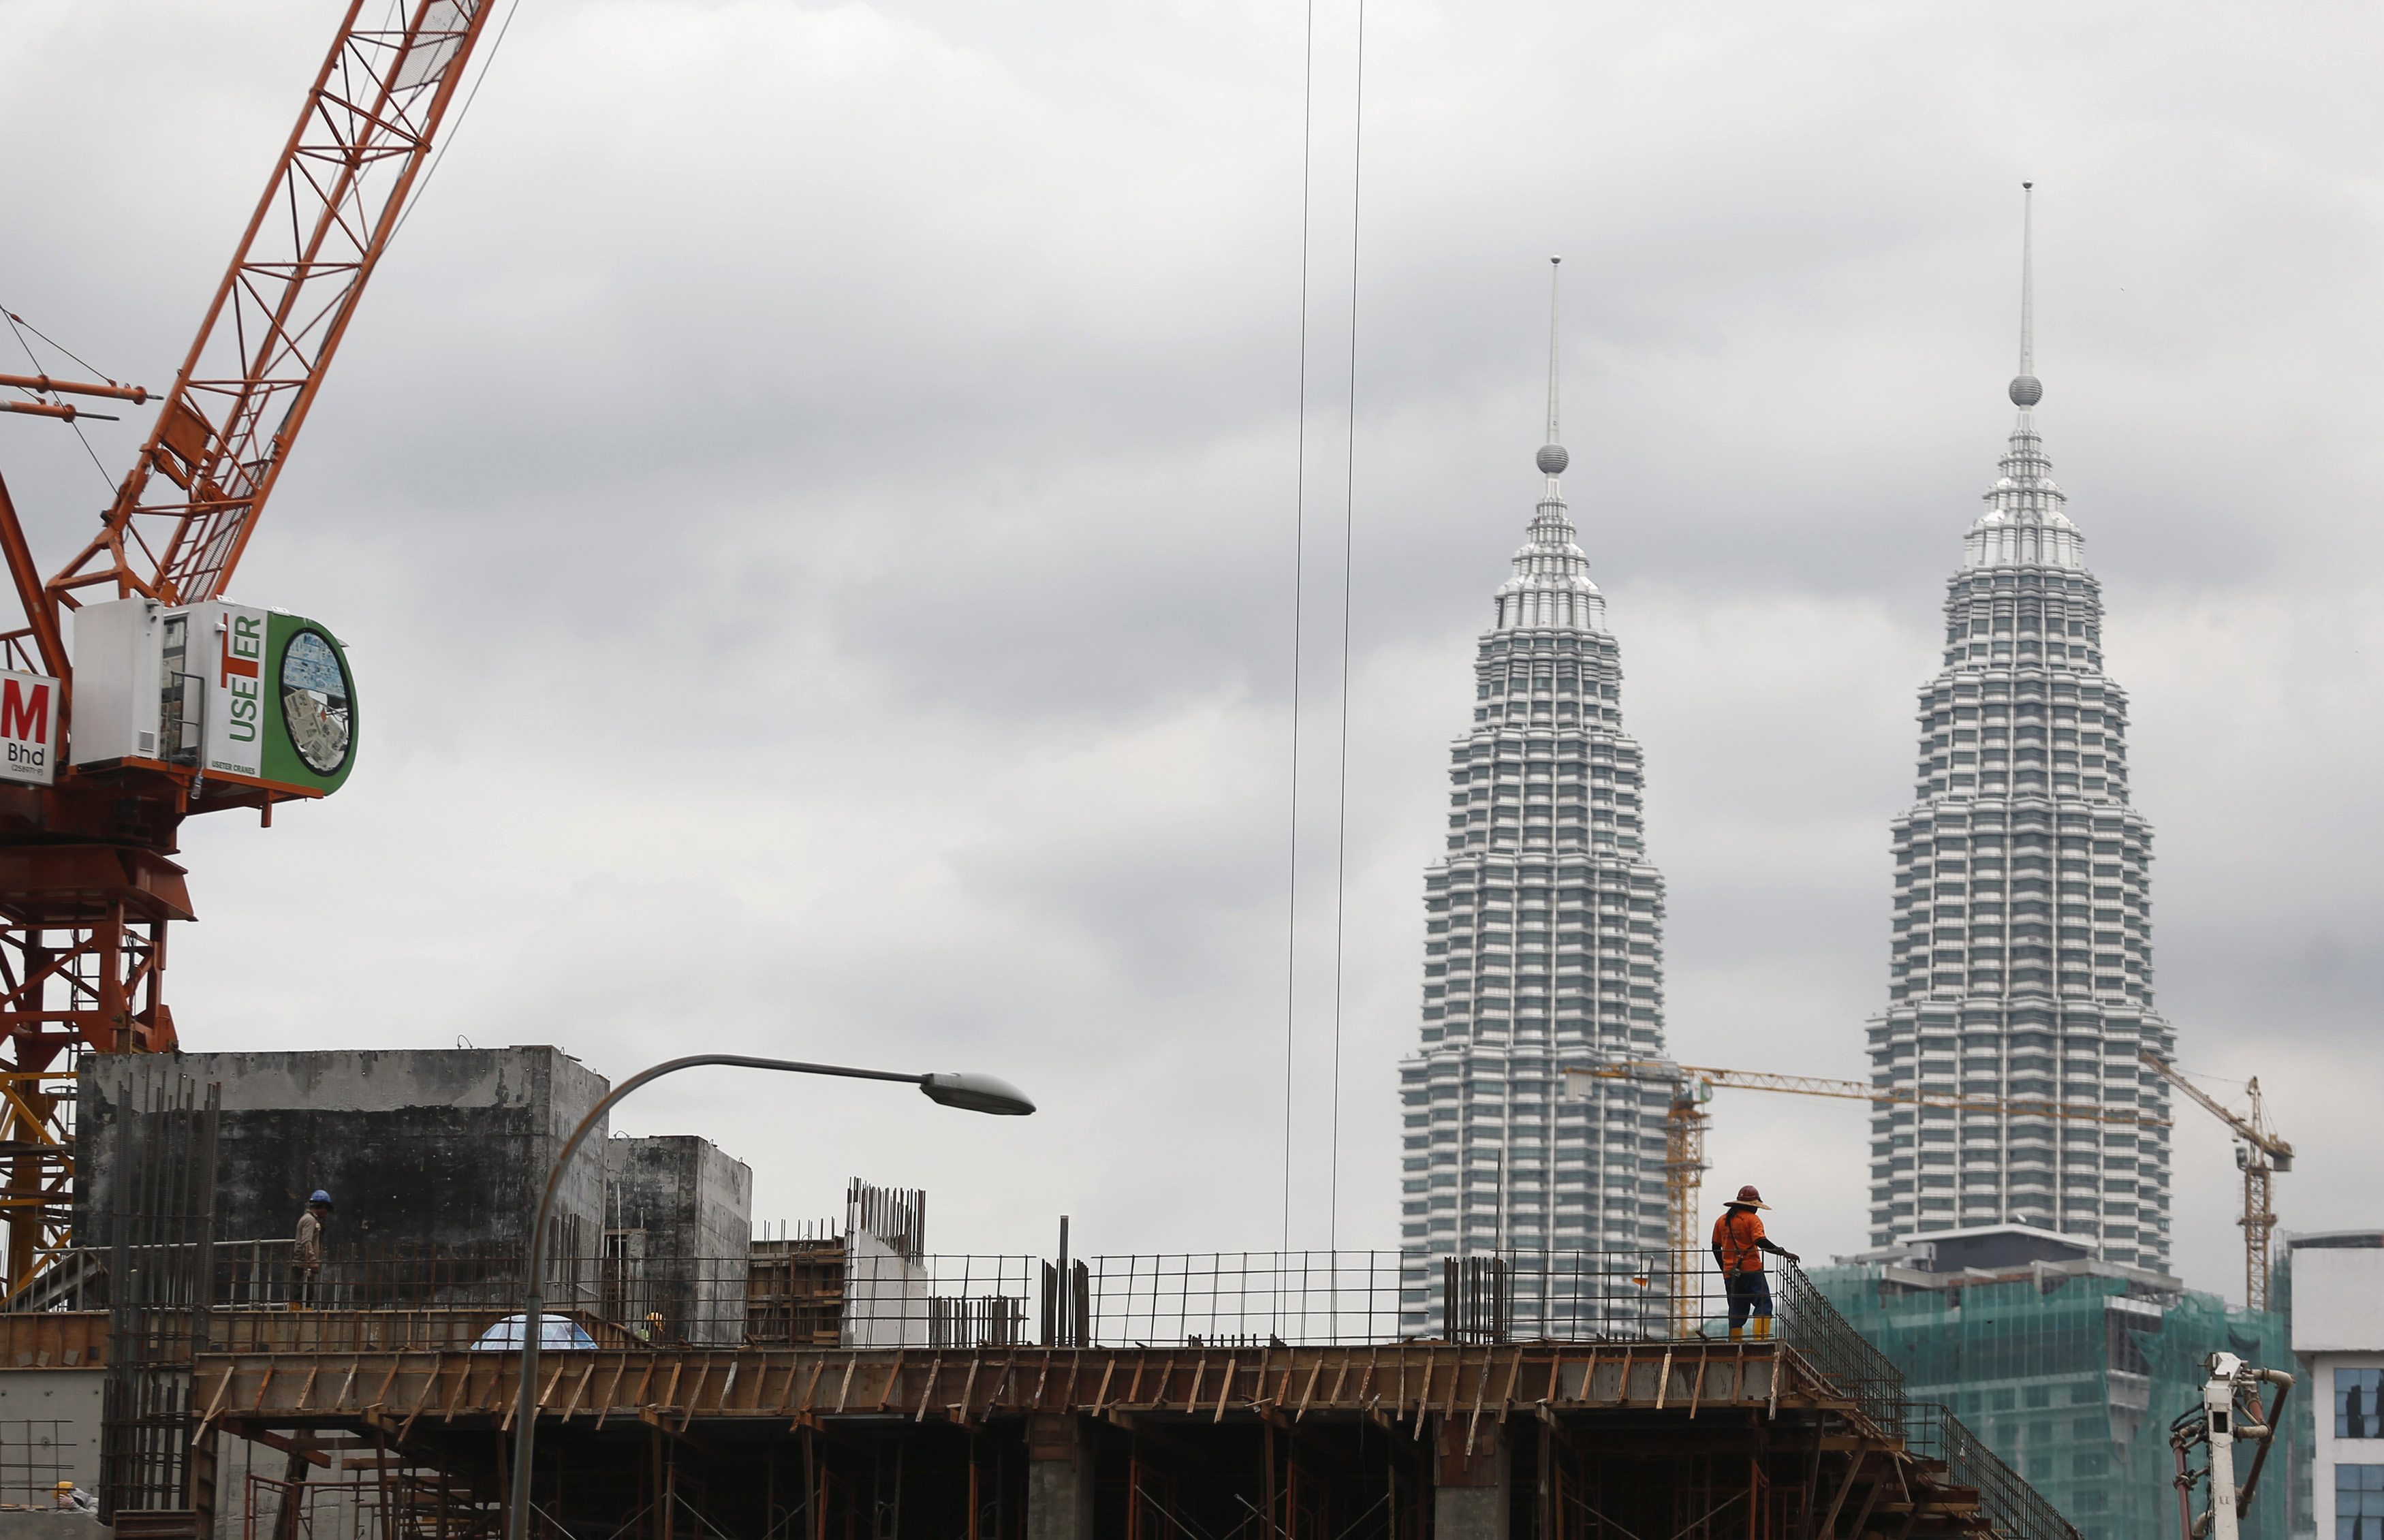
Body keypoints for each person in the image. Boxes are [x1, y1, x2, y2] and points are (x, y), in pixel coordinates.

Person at [1710, 1184, 1798, 1341]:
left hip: (1731, 1274)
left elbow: (1715, 1247)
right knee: (1764, 1304)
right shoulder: (1752, 1219)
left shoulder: (1721, 1221)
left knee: (1737, 1309)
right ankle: (1760, 1341)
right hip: (1752, 1270)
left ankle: (1735, 1343)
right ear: (1753, 1206)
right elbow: (1761, 1241)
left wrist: (1724, 1268)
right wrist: (1782, 1252)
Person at [293, 1191, 332, 1308]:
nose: (327, 1213)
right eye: (326, 1209)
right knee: (303, 1295)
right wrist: (313, 1260)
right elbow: (306, 1242)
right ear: (322, 1207)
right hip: (303, 1264)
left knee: (306, 1294)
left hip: (304, 1264)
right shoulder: (310, 1220)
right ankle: (298, 1319)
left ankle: (301, 1316)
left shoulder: (312, 1220)